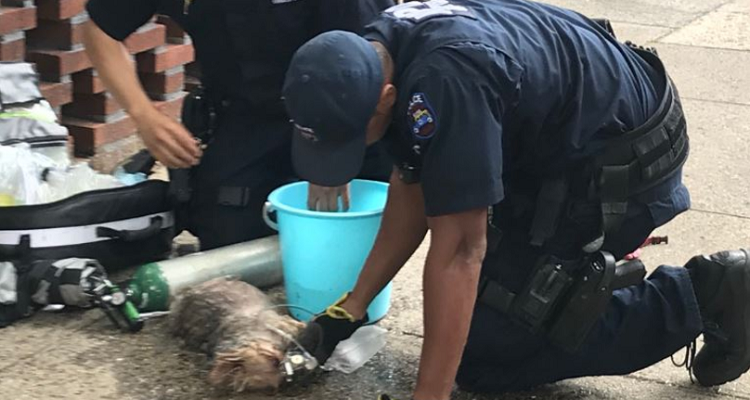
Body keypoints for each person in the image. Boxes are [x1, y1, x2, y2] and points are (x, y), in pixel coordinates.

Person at [281, 1, 750, 399]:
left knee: (488, 351)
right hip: (563, 144)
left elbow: (462, 250)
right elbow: (413, 181)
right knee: (479, 312)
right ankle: (575, 281)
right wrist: (351, 308)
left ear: (385, 97)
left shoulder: (448, 81)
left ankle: (705, 294)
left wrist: (429, 395)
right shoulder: (379, 49)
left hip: (623, 162)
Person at [82, 0, 395, 250]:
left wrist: (335, 152)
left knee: (340, 240)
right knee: (227, 236)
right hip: (245, 116)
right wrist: (143, 115)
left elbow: (375, 54)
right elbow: (100, 30)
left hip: (338, 109)